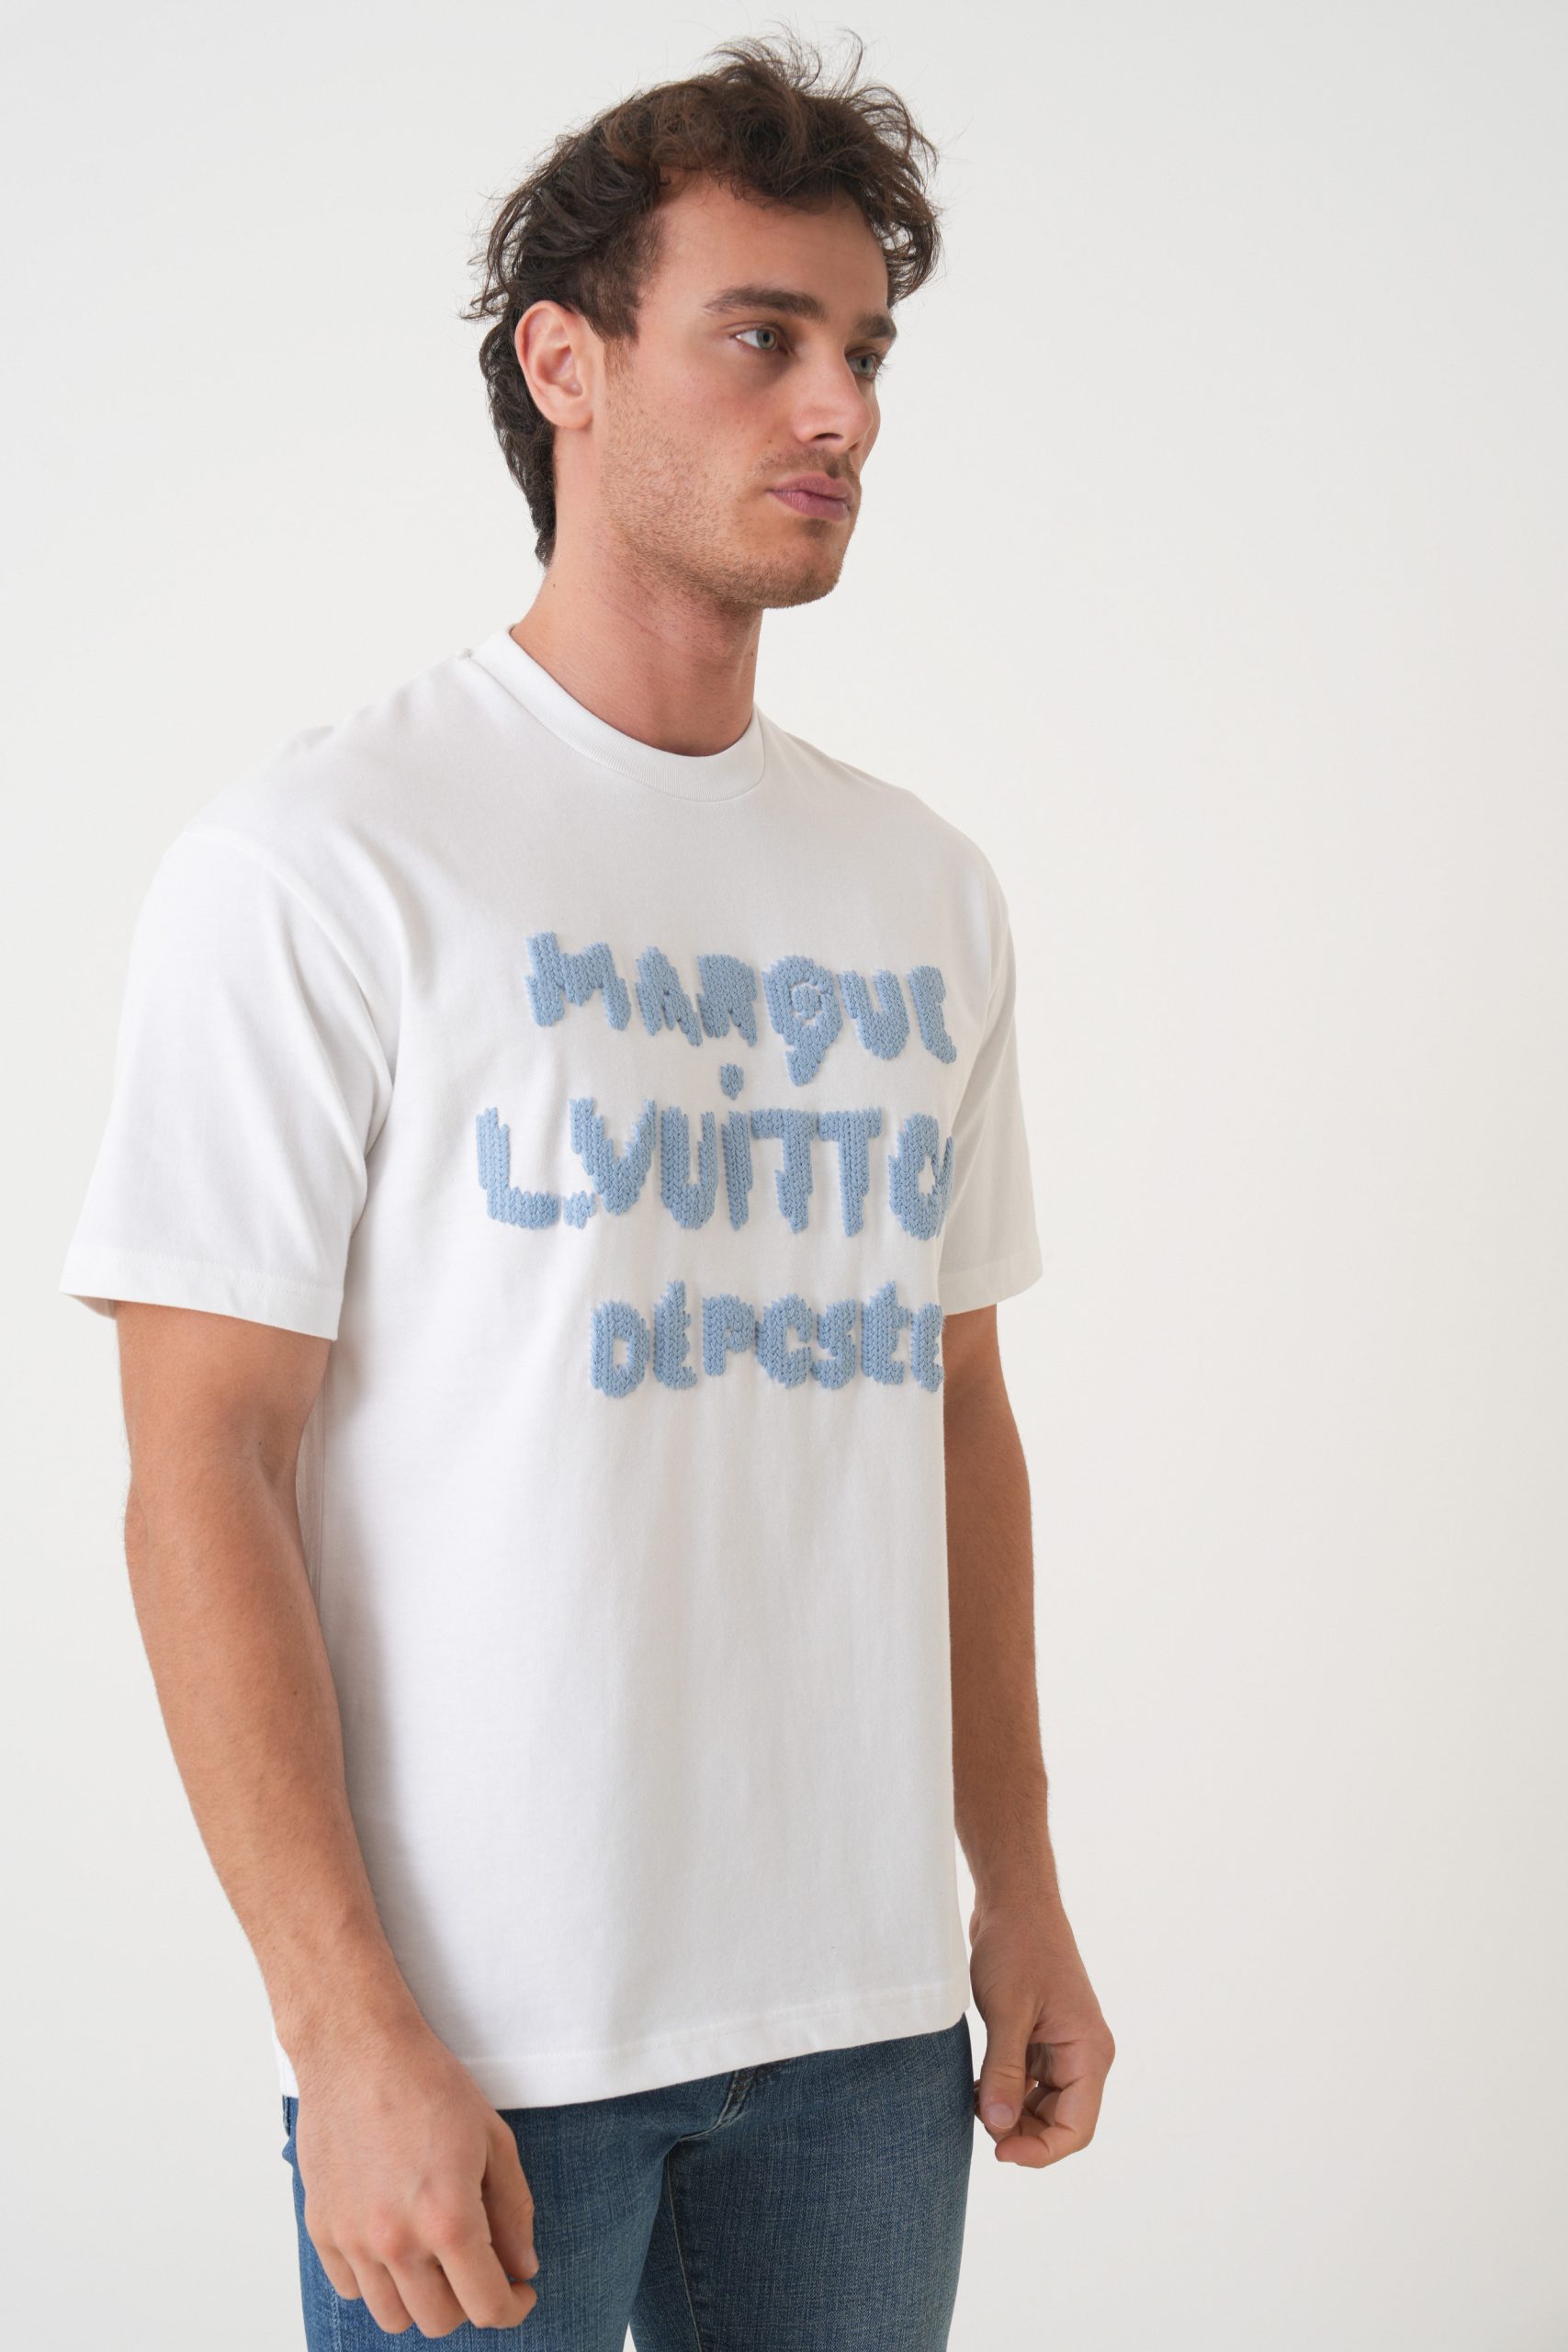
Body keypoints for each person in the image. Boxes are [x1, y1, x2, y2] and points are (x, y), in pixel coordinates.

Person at [58, 30, 1113, 2348]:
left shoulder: (919, 890)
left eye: (863, 353)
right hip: (477, 2046)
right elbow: (198, 1466)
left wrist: (1015, 1879)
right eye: (762, 337)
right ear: (567, 363)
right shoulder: (320, 861)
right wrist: (340, 2019)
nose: (835, 410)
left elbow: (952, 1408)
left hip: (861, 2033)